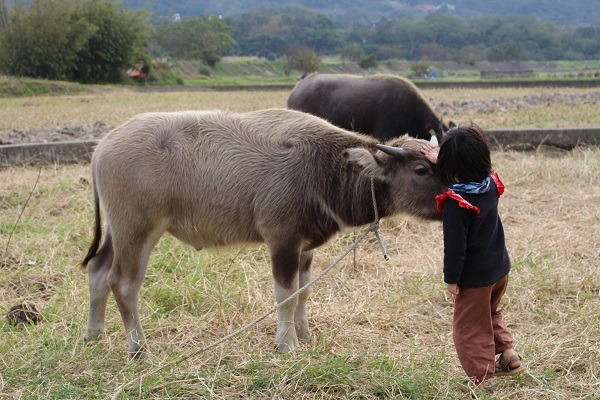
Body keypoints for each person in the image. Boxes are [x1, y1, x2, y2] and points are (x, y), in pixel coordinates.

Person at [421, 124, 526, 388]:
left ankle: (478, 377)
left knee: (468, 328)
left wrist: (451, 279)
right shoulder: (489, 184)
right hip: (499, 269)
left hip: (475, 279)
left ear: (449, 166)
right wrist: (443, 158)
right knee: (490, 312)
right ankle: (508, 355)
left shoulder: (456, 205)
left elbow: (455, 248)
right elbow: (469, 175)